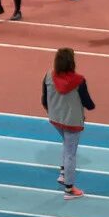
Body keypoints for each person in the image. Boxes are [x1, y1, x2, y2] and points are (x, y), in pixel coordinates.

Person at [44, 47, 92, 198]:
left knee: (66, 143)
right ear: (72, 63)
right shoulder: (79, 80)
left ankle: (63, 173)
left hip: (55, 119)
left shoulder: (48, 76)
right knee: (71, 153)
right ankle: (69, 189)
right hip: (72, 122)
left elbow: (43, 99)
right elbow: (88, 103)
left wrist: (52, 110)